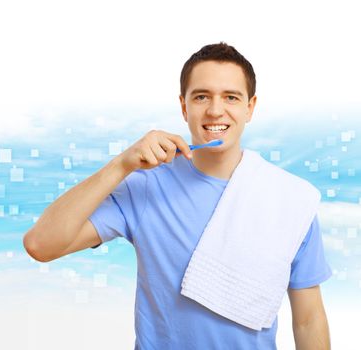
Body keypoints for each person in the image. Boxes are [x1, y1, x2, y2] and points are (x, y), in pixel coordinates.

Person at [23, 42, 332, 349]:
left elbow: (308, 319)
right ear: (184, 106)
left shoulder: (290, 200)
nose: (215, 110)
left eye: (231, 97)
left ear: (250, 107)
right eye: (201, 96)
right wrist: (121, 165)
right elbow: (41, 245)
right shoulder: (145, 187)